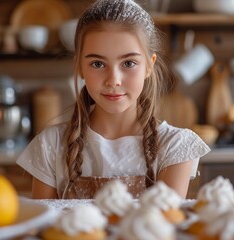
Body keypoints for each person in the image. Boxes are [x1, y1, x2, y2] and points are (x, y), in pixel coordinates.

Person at [16, 0, 210, 199]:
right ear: (80, 67)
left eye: (128, 63)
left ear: (149, 66)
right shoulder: (51, 145)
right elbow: (45, 228)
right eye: (98, 64)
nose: (113, 80)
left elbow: (167, 227)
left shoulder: (174, 147)